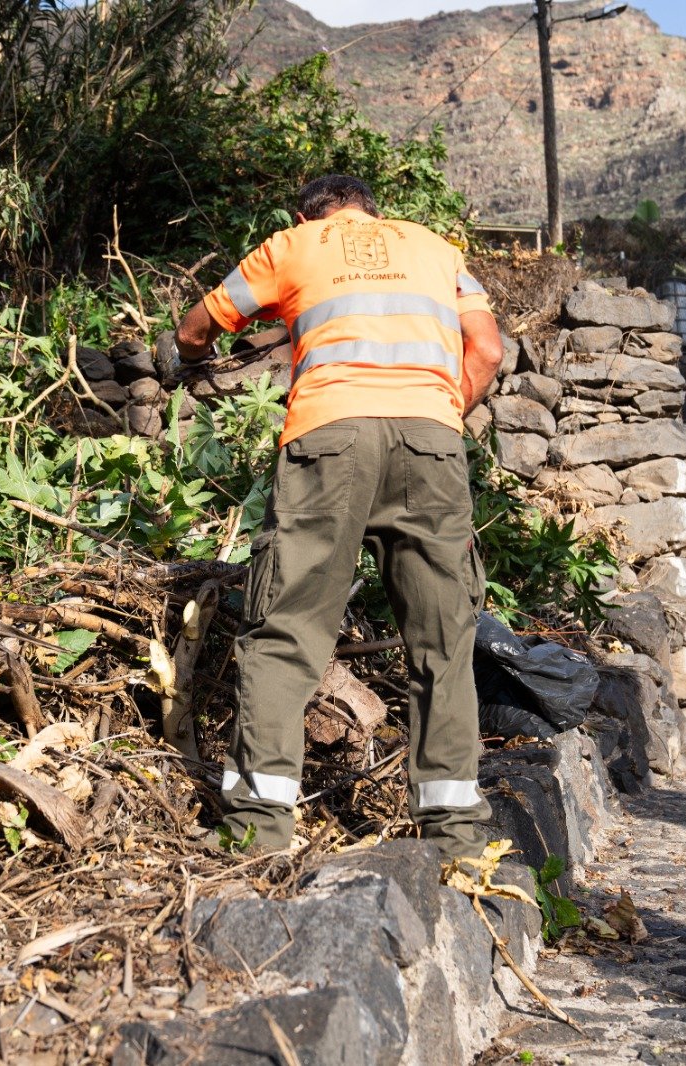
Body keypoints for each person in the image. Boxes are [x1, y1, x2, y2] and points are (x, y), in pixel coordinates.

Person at [174, 174, 504, 857]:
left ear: (307, 215)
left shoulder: (292, 246)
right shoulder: (436, 248)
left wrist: (188, 359)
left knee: (286, 629)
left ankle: (258, 829)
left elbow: (197, 325)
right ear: (373, 212)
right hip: (432, 443)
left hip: (330, 440)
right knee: (443, 637)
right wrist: (444, 412)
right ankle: (455, 836)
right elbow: (488, 350)